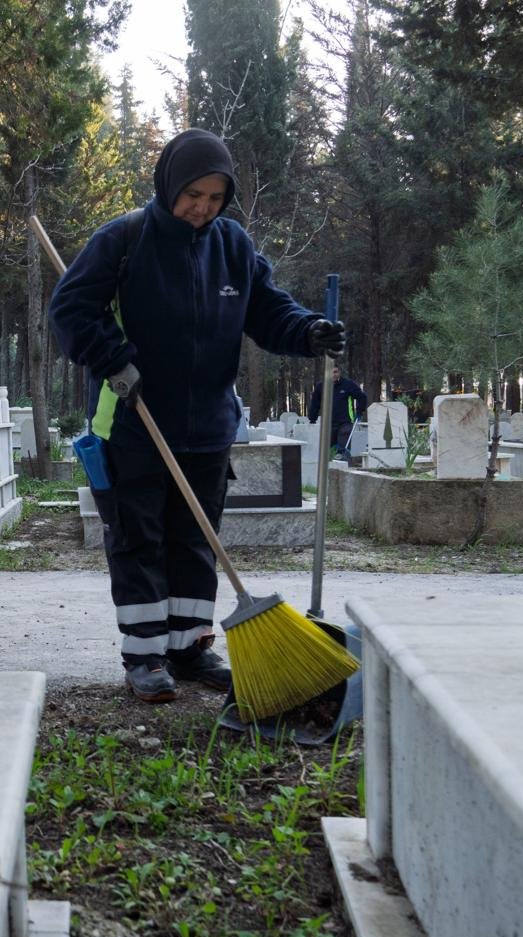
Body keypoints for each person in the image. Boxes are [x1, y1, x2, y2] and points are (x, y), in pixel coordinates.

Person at [48, 129, 344, 704]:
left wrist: (308, 331)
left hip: (207, 427)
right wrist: (113, 358)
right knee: (138, 540)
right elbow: (70, 309)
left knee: (194, 542)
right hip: (133, 421)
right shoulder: (124, 239)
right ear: (169, 184)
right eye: (192, 194)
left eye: (214, 197)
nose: (202, 208)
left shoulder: (232, 245)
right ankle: (144, 655)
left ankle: (188, 647)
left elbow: (268, 310)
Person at [308, 365, 368, 458]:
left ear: (339, 372)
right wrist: (312, 419)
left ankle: (344, 462)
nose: (333, 375)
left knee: (342, 450)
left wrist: (360, 411)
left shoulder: (348, 384)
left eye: (335, 372)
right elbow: (315, 403)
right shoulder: (321, 386)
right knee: (329, 451)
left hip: (345, 422)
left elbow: (362, 396)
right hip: (328, 424)